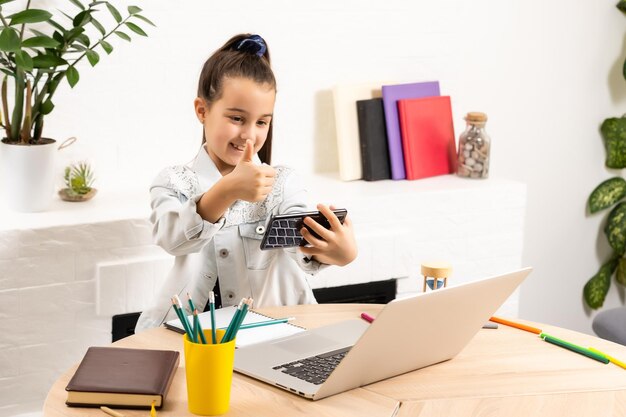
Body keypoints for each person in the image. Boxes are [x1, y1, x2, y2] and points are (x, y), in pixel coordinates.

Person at [135, 34, 357, 332]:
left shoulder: (283, 183)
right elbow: (173, 240)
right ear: (202, 110)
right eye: (237, 118)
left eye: (262, 122)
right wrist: (227, 189)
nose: (249, 135)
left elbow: (300, 247)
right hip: (192, 336)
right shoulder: (173, 181)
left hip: (272, 335)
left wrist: (338, 252)